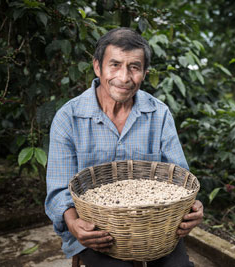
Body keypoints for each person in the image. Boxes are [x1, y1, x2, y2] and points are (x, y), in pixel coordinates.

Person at [45, 27, 204, 267]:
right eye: (115, 65)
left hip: (155, 228)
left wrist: (192, 207)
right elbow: (59, 191)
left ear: (144, 72)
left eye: (134, 67)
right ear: (98, 67)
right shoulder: (69, 117)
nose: (124, 77)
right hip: (96, 231)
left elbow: (179, 179)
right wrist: (73, 223)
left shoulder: (158, 113)